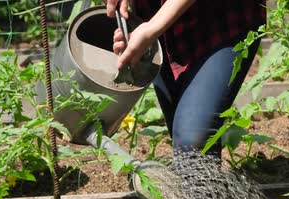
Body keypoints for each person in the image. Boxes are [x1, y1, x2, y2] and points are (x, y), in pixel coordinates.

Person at [103, 0, 266, 155]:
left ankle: (201, 182)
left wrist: (151, 29)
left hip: (220, 19)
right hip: (156, 21)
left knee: (192, 141)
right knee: (183, 137)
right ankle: (196, 181)